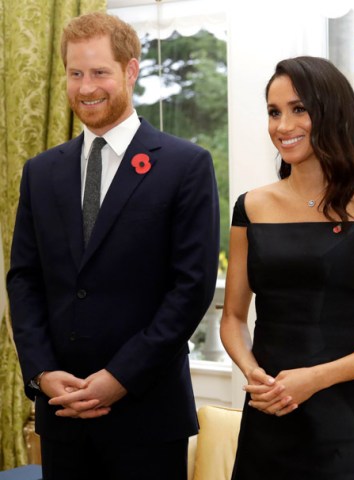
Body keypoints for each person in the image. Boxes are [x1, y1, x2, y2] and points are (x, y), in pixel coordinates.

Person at [7, 12, 219, 480]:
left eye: (99, 71)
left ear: (130, 70)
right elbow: (24, 279)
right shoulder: (40, 172)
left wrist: (119, 378)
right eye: (75, 73)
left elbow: (191, 289)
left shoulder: (186, 166)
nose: (86, 87)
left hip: (147, 416)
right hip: (61, 414)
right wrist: (42, 373)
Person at [220, 55, 354, 479]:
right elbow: (234, 317)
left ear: (331, 112)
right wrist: (255, 373)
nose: (282, 126)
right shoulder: (251, 207)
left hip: (351, 418)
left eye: (298, 109)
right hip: (270, 414)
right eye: (274, 112)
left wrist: (313, 379)